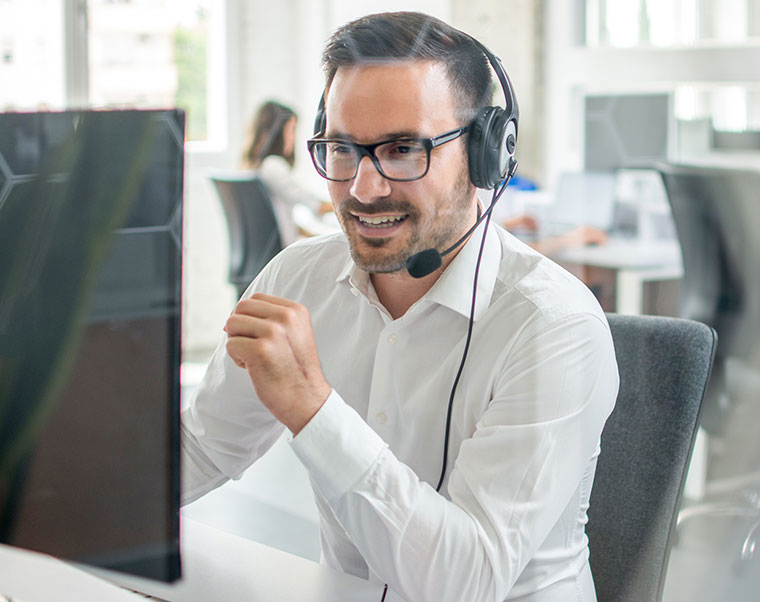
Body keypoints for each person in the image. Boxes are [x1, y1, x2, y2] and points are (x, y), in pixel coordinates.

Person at [182, 12, 618, 602]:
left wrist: (313, 408)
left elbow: (467, 582)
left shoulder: (554, 327)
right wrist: (67, 490)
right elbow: (203, 446)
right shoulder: (297, 277)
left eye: (403, 148)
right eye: (343, 149)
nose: (364, 188)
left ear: (486, 153)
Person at [241, 100, 335, 246]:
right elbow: (314, 204)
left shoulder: (254, 167)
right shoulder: (273, 166)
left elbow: (281, 223)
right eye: (291, 130)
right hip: (284, 249)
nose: (293, 138)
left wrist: (317, 236)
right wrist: (342, 206)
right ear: (277, 133)